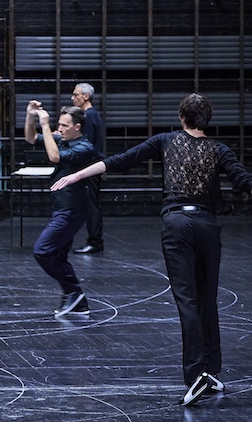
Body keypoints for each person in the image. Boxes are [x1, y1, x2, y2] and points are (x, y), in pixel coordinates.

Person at [51, 93, 252, 406]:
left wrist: (76, 174)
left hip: (177, 225)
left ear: (182, 117)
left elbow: (122, 160)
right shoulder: (219, 149)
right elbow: (243, 181)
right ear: (206, 120)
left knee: (187, 300)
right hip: (207, 226)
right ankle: (211, 371)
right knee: (207, 299)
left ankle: (197, 374)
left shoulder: (167, 140)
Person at [23, 100, 98, 317]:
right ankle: (76, 299)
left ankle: (74, 292)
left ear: (77, 127)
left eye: (65, 126)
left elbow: (54, 156)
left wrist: (45, 126)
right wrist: (31, 117)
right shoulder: (63, 140)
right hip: (61, 208)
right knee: (57, 255)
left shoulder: (85, 147)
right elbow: (30, 138)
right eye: (59, 125)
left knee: (43, 250)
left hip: (72, 210)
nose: (60, 129)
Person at [70, 83, 105, 254]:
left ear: (86, 96)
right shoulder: (90, 115)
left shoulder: (89, 116)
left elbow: (87, 145)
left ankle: (95, 242)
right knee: (90, 204)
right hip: (92, 165)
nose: (73, 98)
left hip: (90, 166)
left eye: (76, 95)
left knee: (91, 205)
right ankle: (95, 241)